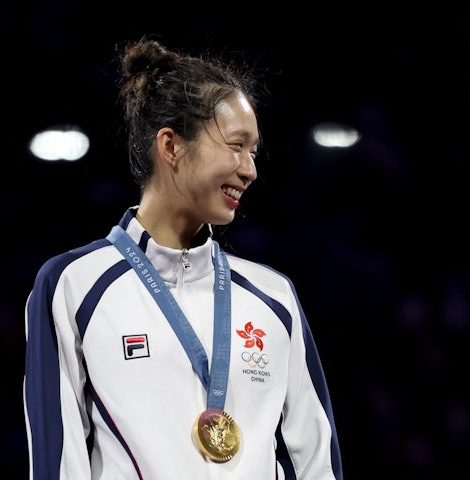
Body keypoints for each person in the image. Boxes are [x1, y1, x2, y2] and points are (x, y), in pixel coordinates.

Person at [23, 36, 344, 480]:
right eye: (236, 145)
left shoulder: (274, 298)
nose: (250, 169)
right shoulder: (74, 286)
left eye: (253, 151)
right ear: (171, 146)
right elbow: (59, 463)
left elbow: (315, 464)